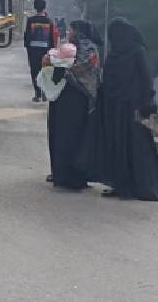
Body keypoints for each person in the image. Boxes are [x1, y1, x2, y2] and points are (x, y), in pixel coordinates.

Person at [95, 18, 158, 201]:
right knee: (118, 146)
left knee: (133, 146)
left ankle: (136, 186)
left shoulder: (135, 52)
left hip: (132, 109)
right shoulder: (120, 52)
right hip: (116, 109)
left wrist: (148, 103)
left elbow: (145, 79)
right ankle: (120, 185)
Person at [45, 20, 102, 189]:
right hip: (64, 99)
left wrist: (57, 66)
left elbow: (78, 70)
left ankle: (73, 177)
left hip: (78, 100)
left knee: (72, 139)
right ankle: (60, 173)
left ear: (79, 32)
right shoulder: (71, 47)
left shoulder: (89, 49)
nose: (68, 33)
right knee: (60, 136)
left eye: (71, 30)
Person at [24, 0, 58, 102]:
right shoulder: (49, 21)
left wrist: (28, 49)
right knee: (45, 72)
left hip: (33, 51)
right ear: (44, 7)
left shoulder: (30, 20)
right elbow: (52, 38)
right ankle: (44, 93)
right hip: (46, 50)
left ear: (35, 7)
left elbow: (27, 36)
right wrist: (51, 51)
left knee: (35, 71)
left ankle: (37, 94)